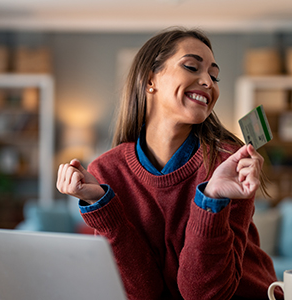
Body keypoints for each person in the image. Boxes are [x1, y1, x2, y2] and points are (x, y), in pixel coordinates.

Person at [56, 27, 280, 300]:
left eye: (214, 75)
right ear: (150, 80)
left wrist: (212, 198)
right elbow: (142, 292)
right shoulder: (106, 171)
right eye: (191, 67)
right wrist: (102, 206)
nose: (208, 82)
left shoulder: (230, 165)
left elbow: (204, 295)